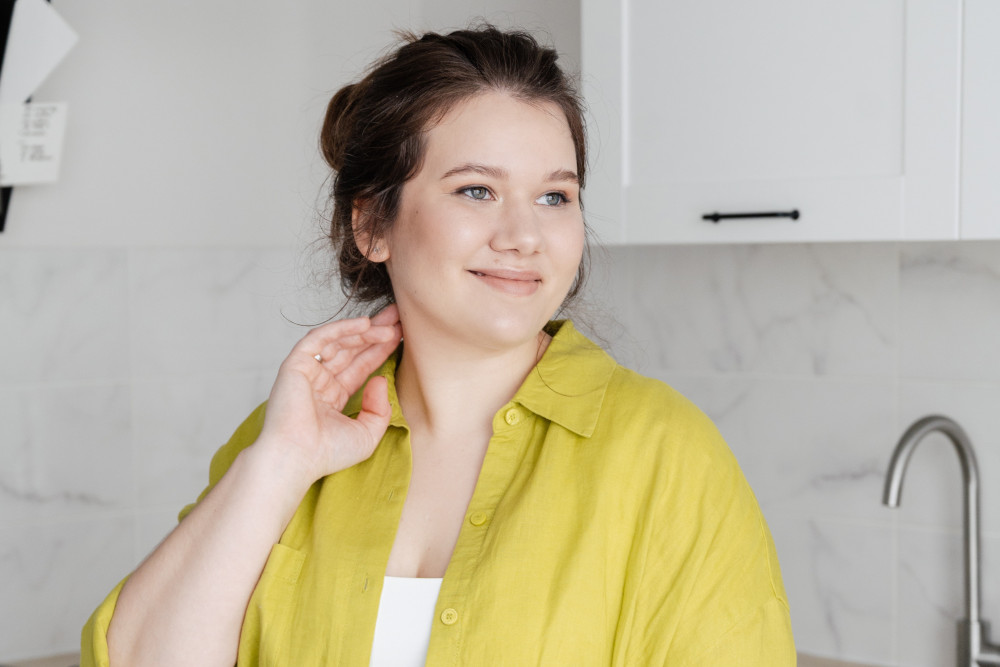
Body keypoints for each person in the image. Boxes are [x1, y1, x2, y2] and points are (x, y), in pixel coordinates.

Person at [81, 25, 795, 666]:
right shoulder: (289, 440)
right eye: (477, 190)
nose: (525, 236)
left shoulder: (666, 453)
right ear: (372, 225)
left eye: (555, 197)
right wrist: (278, 465)